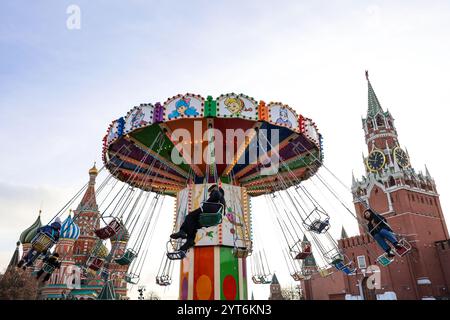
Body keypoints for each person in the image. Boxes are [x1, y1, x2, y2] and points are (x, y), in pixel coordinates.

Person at [170, 185, 226, 253]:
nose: (210, 193)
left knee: (189, 216)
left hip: (209, 211)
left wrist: (209, 198)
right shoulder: (222, 200)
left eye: (211, 191)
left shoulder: (217, 193)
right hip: (212, 218)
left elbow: (214, 197)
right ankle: (189, 241)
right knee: (193, 224)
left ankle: (182, 231)